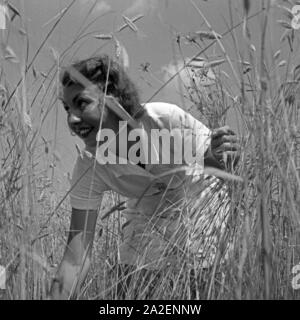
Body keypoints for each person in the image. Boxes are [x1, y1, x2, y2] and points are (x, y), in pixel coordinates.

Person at [49, 54, 239, 299]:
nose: (72, 119)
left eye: (81, 103)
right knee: (130, 293)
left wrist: (223, 154)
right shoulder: (89, 166)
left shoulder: (164, 119)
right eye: (67, 108)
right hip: (145, 216)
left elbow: (218, 166)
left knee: (200, 289)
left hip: (198, 204)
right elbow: (75, 258)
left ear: (113, 99)